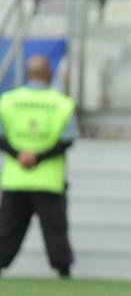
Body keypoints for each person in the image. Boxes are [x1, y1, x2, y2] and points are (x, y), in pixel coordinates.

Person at [0, 56, 77, 279]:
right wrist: (38, 157)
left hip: (16, 178)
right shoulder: (62, 103)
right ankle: (63, 273)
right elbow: (67, 140)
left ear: (27, 73)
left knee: (7, 230)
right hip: (49, 180)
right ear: (48, 74)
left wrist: (20, 155)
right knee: (55, 230)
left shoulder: (8, 100)